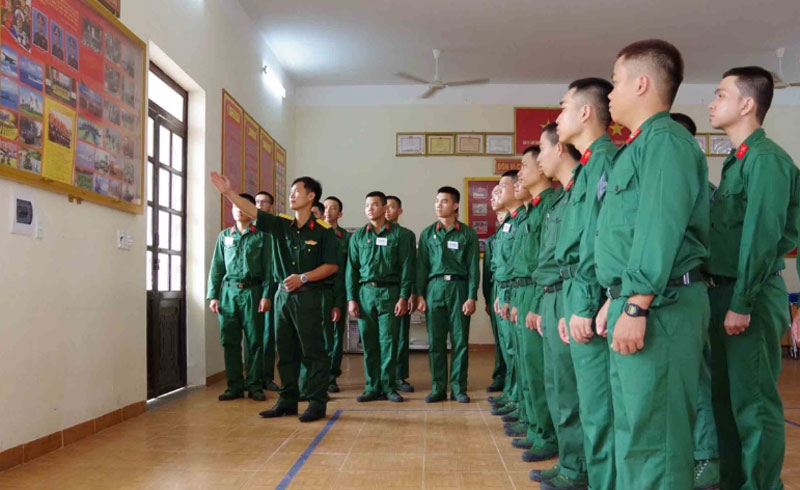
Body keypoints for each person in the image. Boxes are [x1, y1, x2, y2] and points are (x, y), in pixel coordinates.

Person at [595, 39, 709, 489]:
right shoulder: (640, 146)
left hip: (661, 305)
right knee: (635, 430)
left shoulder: (664, 142)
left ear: (641, 84)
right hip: (641, 301)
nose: (609, 93)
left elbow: (659, 227)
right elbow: (629, 235)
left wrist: (636, 302)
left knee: (655, 439)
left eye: (616, 82)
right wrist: (619, 297)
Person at [707, 66, 798, 490]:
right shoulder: (738, 161)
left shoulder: (767, 161)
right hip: (724, 293)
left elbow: (761, 238)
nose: (712, 103)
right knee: (725, 404)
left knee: (754, 404)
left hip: (751, 297)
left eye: (721, 95)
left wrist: (742, 302)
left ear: (747, 104)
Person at [210, 172, 338, 423]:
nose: (291, 195)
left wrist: (303, 277)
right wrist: (228, 193)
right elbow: (253, 211)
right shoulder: (281, 225)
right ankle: (287, 401)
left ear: (311, 197)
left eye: (297, 191)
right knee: (286, 351)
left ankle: (316, 403)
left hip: (309, 297)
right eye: (290, 191)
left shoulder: (323, 231)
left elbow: (331, 265)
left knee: (313, 352)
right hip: (283, 298)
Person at [551, 78, 618, 490]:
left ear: (585, 111)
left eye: (563, 107)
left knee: (600, 407)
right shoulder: (589, 168)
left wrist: (587, 303)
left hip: (589, 298)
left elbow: (600, 241)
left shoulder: (606, 162)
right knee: (589, 404)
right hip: (577, 292)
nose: (558, 117)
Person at [529, 124, 588, 489]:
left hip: (573, 292)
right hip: (554, 292)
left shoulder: (584, 187)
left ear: (561, 148)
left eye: (542, 148)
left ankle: (578, 467)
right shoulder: (562, 198)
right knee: (556, 385)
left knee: (571, 390)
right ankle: (569, 460)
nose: (539, 158)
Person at [671, 112, 721, 489]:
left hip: (694, 289)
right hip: (671, 294)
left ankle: (708, 458)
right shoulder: (671, 183)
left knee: (698, 380)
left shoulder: (703, 188)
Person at [505, 146, 560, 467]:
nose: (520, 173)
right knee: (527, 365)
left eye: (525, 166)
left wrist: (536, 301)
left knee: (540, 370)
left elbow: (547, 260)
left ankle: (547, 434)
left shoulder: (551, 204)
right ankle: (536, 425)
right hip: (523, 290)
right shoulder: (531, 211)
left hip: (539, 290)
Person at [347, 191, 414, 402]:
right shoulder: (358, 236)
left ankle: (388, 386)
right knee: (369, 342)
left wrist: (404, 297)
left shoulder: (401, 235)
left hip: (390, 293)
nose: (370, 208)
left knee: (389, 342)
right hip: (365, 293)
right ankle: (372, 386)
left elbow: (407, 268)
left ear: (385, 208)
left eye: (375, 204)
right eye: (367, 205)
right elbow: (352, 269)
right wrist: (351, 298)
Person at [416, 186, 480, 403]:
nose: (438, 205)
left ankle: (459, 388)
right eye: (436, 201)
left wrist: (471, 296)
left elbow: (473, 267)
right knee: (436, 342)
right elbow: (422, 267)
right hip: (434, 288)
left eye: (444, 201)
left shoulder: (467, 233)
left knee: (460, 341)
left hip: (459, 289)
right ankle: (438, 388)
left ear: (455, 205)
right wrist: (420, 295)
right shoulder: (427, 234)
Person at [206, 193, 270, 403]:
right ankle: (234, 386)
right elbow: (217, 267)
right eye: (235, 206)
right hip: (229, 293)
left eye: (243, 206)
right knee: (230, 341)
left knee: (254, 341)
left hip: (253, 292)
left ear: (252, 210)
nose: (238, 210)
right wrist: (213, 296)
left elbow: (269, 269)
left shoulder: (263, 236)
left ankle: (254, 385)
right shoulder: (225, 236)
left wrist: (266, 295)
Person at [489, 171, 525, 419]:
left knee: (518, 351)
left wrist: (509, 295)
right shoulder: (508, 223)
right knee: (509, 349)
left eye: (502, 187)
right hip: (504, 289)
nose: (498, 193)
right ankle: (513, 394)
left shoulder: (522, 220)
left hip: (518, 290)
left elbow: (519, 264)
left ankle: (521, 402)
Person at [386, 195, 417, 393]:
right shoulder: (371, 234)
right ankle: (382, 377)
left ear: (400, 211)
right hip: (376, 291)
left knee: (400, 337)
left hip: (400, 290)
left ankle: (399, 376)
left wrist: (411, 293)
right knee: (380, 339)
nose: (387, 210)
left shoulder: (406, 235)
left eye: (392, 207)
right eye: (385, 206)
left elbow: (411, 266)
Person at [323, 196, 351, 393]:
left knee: (335, 335)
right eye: (325, 207)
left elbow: (348, 269)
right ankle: (316, 376)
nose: (328, 211)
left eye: (333, 208)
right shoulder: (314, 234)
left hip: (337, 290)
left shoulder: (346, 238)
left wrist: (342, 299)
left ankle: (331, 376)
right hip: (315, 290)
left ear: (339, 214)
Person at [255, 191, 280, 392]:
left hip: (269, 288)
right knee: (252, 337)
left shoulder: (274, 230)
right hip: (249, 289)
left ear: (271, 206)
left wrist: (267, 294)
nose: (259, 205)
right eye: (256, 202)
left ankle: (267, 376)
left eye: (264, 202)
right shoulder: (247, 228)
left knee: (268, 335)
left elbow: (272, 267)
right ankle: (253, 378)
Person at [483, 185, 506, 394]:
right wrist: (487, 299)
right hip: (496, 291)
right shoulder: (492, 241)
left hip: (513, 288)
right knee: (500, 338)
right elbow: (487, 274)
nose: (499, 218)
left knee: (511, 340)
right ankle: (500, 375)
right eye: (497, 216)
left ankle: (511, 382)